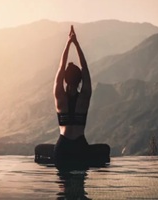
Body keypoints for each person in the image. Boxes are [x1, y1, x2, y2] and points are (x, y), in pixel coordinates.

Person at [53, 26, 110, 168]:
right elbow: (85, 69)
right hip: (79, 146)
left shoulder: (59, 97)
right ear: (80, 81)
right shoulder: (84, 96)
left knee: (63, 188)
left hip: (63, 147)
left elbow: (60, 69)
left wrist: (68, 43)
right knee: (79, 188)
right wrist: (76, 43)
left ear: (65, 80)